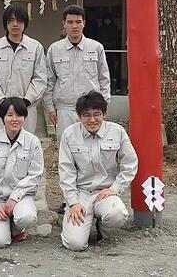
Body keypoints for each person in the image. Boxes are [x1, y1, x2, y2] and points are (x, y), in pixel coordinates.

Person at [59, 91, 138, 252]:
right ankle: (77, 223)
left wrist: (115, 188)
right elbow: (66, 171)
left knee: (117, 214)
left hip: (105, 193)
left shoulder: (117, 132)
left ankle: (103, 229)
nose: (92, 120)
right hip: (81, 194)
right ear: (79, 116)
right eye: (86, 115)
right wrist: (73, 203)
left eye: (97, 114)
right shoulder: (69, 134)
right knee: (75, 244)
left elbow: (130, 163)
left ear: (104, 114)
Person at [0, 97, 44, 248]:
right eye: (9, 115)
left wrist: (14, 198)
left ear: (24, 117)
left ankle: (16, 227)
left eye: (19, 115)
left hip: (20, 198)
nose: (14, 119)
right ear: (2, 117)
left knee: (26, 217)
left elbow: (34, 175)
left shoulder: (33, 142)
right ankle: (0, 223)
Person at [44, 4, 111, 143]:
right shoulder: (54, 49)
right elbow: (49, 81)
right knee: (66, 146)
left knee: (92, 146)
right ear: (64, 24)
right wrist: (50, 108)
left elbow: (104, 79)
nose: (74, 26)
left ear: (84, 23)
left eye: (78, 22)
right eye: (70, 22)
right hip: (64, 109)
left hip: (91, 109)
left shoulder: (96, 47)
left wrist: (103, 106)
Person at [0, 4, 47, 133]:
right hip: (2, 108)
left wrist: (26, 101)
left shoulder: (35, 47)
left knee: (26, 142)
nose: (15, 24)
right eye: (11, 20)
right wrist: (1, 100)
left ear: (25, 23)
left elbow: (40, 78)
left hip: (26, 108)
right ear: (5, 23)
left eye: (19, 20)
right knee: (1, 142)